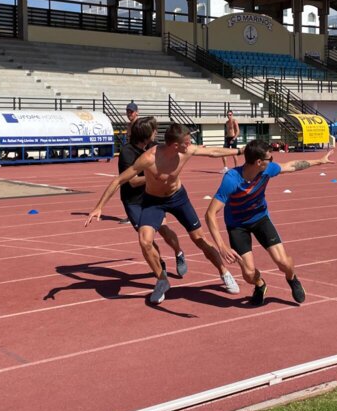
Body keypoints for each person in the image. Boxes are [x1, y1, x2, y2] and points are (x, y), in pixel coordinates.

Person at [86, 122, 242, 305]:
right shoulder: (148, 159)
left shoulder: (186, 151)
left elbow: (213, 152)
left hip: (178, 198)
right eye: (187, 142)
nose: (190, 144)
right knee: (145, 240)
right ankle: (162, 280)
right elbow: (119, 180)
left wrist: (239, 152)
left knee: (199, 239)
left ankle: (224, 272)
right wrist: (99, 207)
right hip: (154, 202)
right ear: (175, 145)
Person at [205, 141, 333, 306]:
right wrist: (222, 246)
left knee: (284, 263)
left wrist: (319, 161)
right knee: (248, 274)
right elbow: (210, 214)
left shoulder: (267, 169)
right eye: (269, 157)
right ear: (259, 162)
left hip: (260, 218)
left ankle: (291, 278)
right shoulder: (231, 179)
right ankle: (260, 284)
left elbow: (291, 165)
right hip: (237, 225)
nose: (272, 160)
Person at [119, 116, 187, 277]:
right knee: (146, 239)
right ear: (146, 133)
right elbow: (133, 181)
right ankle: (160, 264)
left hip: (152, 197)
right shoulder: (127, 152)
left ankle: (179, 253)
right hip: (133, 201)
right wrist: (156, 176)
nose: (156, 132)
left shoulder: (154, 147)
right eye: (154, 130)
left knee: (163, 229)